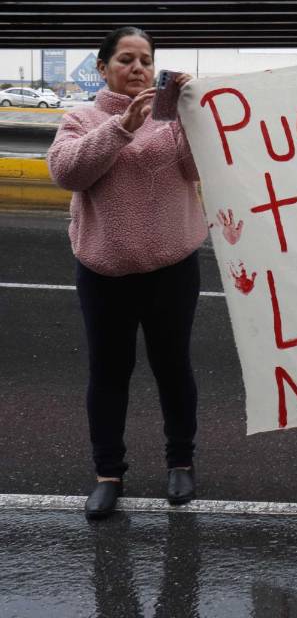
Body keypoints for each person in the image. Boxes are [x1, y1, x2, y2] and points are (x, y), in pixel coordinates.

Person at [47, 27, 207, 518]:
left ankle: (180, 462)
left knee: (172, 367)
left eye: (145, 60)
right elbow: (67, 172)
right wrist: (121, 127)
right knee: (109, 373)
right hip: (104, 271)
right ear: (103, 68)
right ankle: (107, 473)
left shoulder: (172, 120)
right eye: (126, 59)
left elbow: (197, 168)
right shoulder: (81, 118)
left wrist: (187, 116)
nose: (137, 69)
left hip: (172, 268)